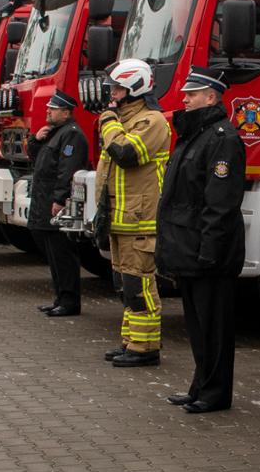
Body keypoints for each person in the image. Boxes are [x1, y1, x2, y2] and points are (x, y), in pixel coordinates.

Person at [157, 68, 246, 414]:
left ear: (211, 97)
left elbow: (220, 203)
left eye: (192, 94)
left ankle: (216, 392)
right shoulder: (193, 135)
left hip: (209, 254)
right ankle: (201, 385)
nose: (185, 98)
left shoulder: (221, 138)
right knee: (198, 327)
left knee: (215, 328)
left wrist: (209, 251)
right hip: (190, 250)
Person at [96, 59, 172, 367]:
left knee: (139, 285)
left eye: (117, 88)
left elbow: (127, 154)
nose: (112, 94)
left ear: (134, 88)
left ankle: (145, 348)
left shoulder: (151, 121)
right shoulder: (124, 121)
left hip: (140, 219)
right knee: (125, 285)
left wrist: (108, 124)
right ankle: (131, 341)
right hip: (120, 219)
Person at [29, 90, 89, 317]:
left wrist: (60, 198)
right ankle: (59, 298)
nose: (48, 112)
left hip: (55, 202)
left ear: (66, 113)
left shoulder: (71, 135)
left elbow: (68, 170)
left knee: (63, 254)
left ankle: (69, 301)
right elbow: (38, 160)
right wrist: (36, 139)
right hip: (44, 199)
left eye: (52, 110)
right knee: (53, 254)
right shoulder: (55, 133)